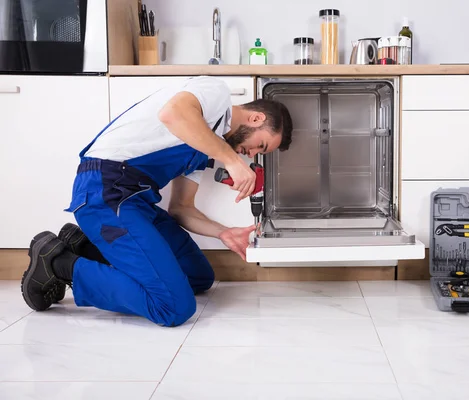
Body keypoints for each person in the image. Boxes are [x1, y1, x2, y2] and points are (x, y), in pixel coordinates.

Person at [20, 76, 293, 327]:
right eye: (261, 146)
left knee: (198, 275)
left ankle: (84, 247)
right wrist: (231, 160)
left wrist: (223, 233)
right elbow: (172, 114)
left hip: (136, 202)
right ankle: (57, 263)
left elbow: (181, 208)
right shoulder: (215, 94)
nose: (251, 154)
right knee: (173, 307)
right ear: (256, 118)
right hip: (106, 194)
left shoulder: (205, 147)